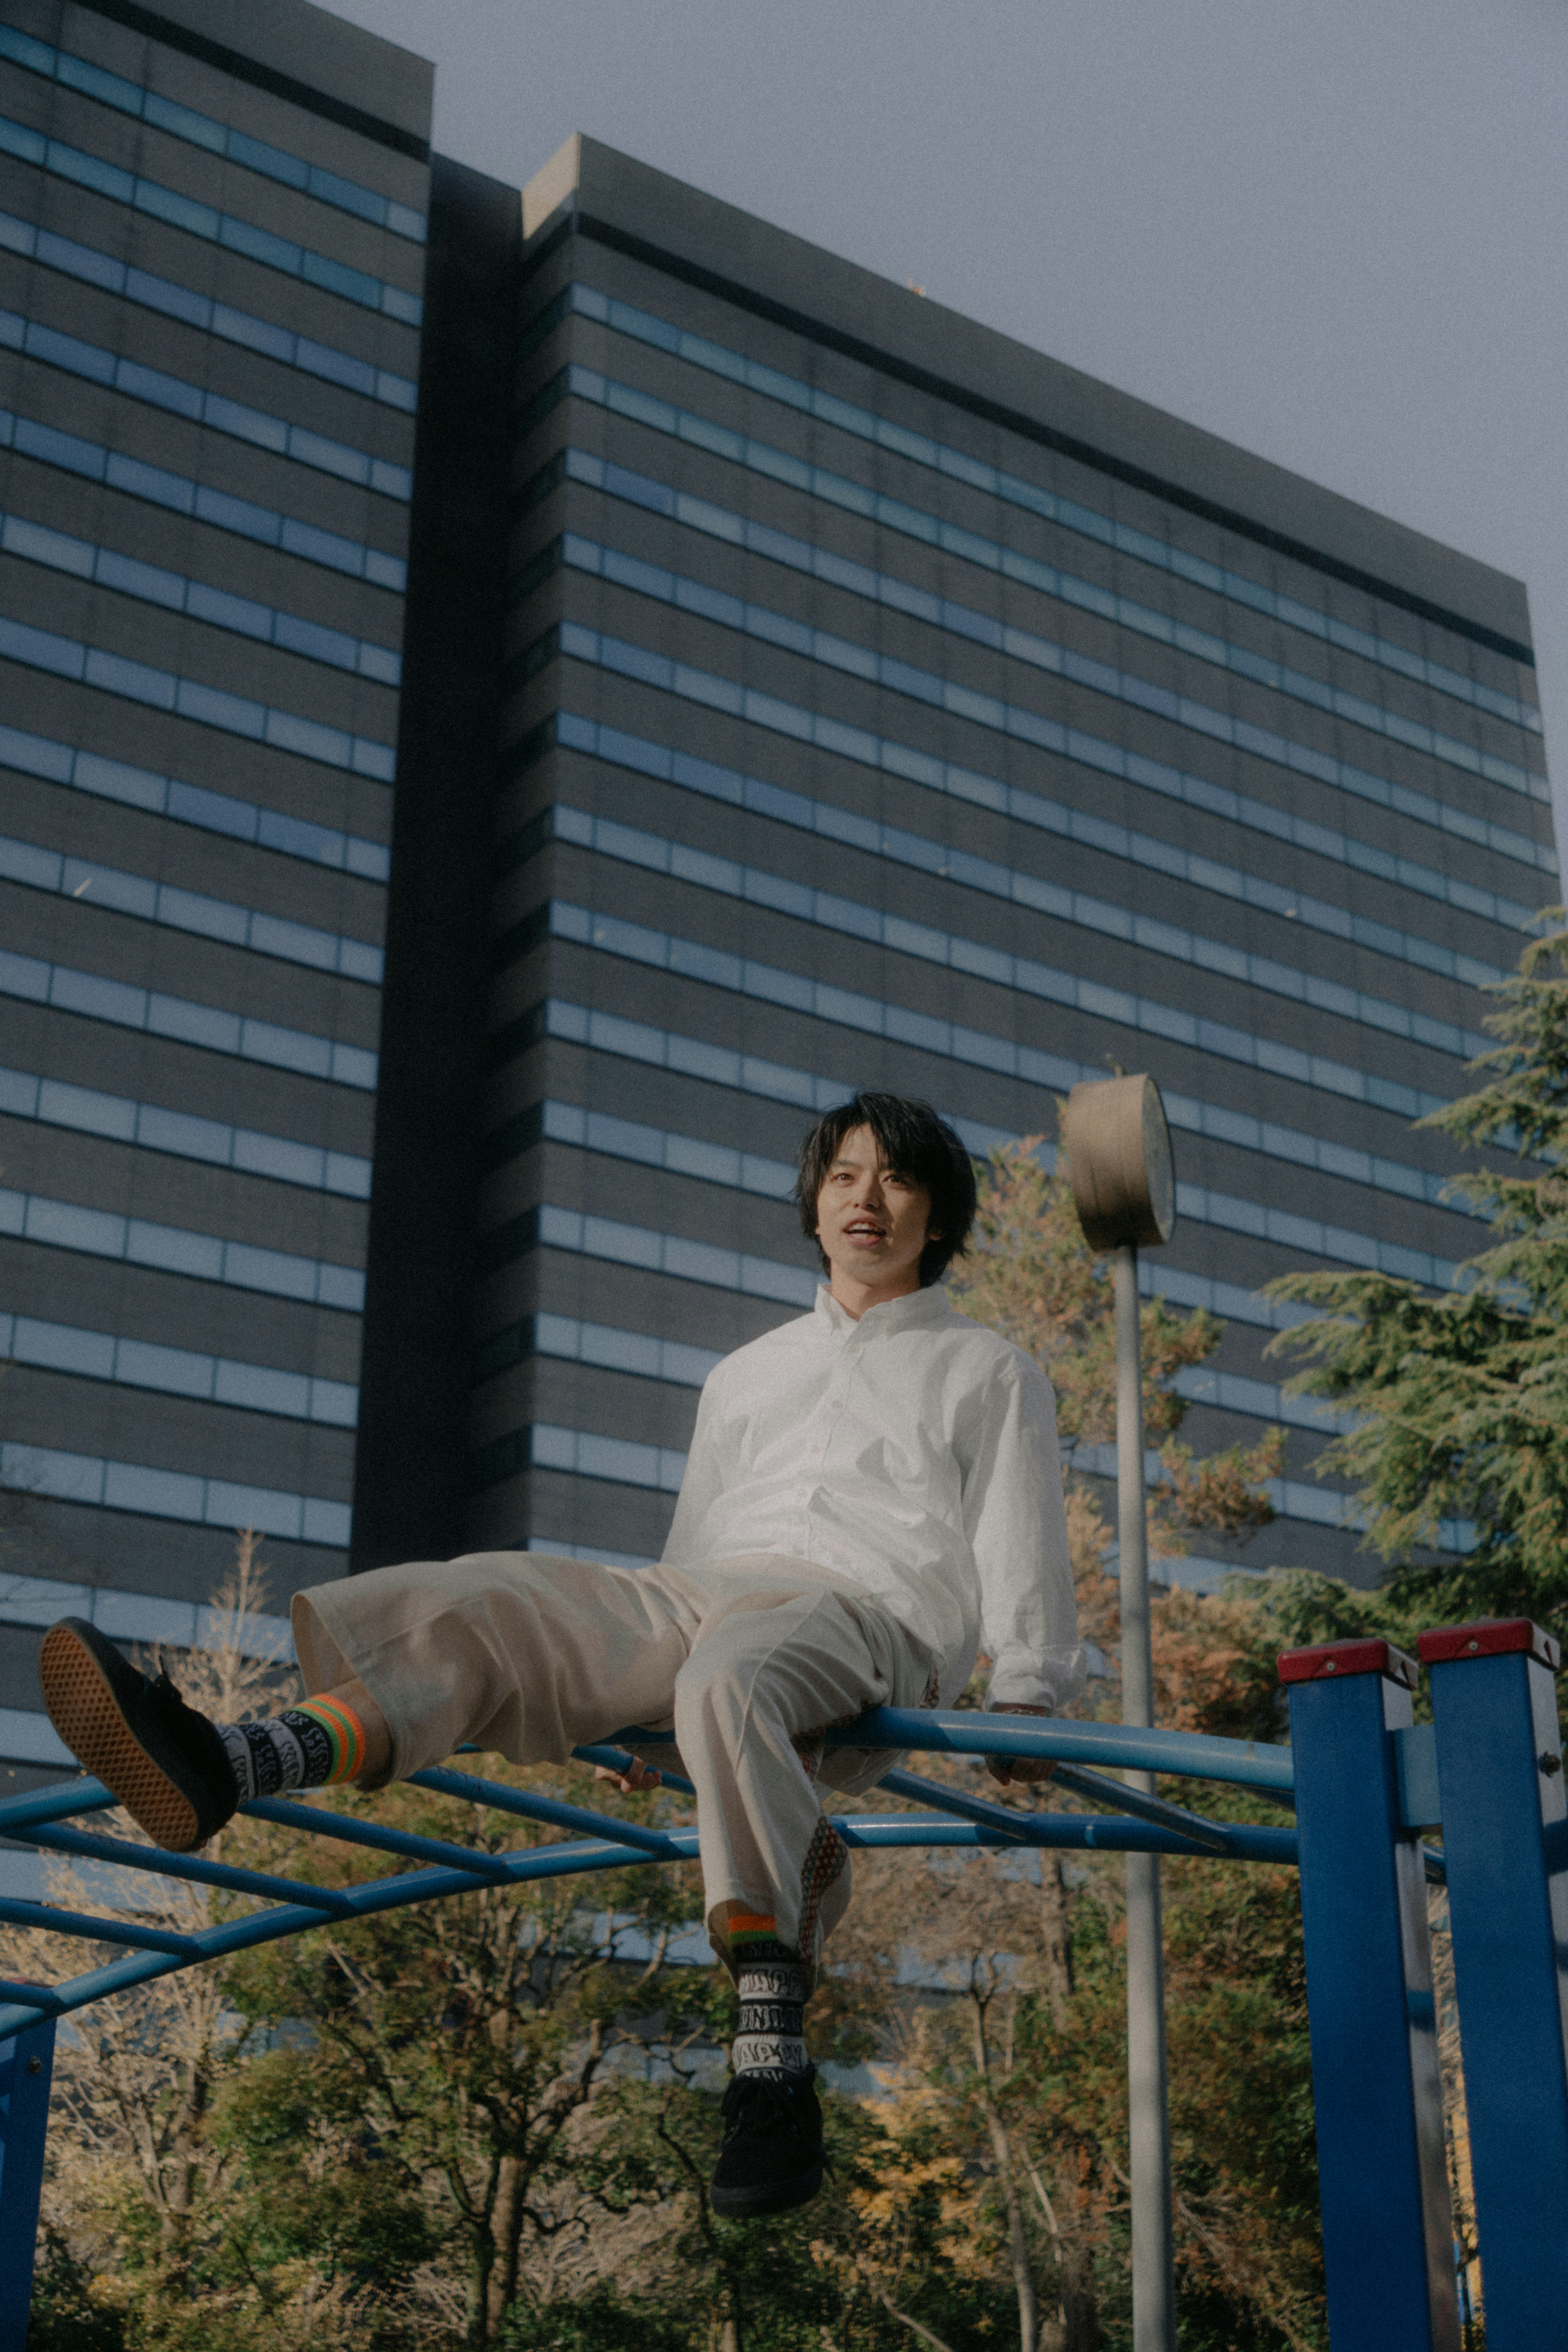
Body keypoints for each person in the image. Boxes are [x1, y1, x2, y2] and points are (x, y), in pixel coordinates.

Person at [39, 1092, 1082, 2219]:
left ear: (938, 1214)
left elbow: (1018, 1536)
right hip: (709, 1595)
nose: (864, 1199)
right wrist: (634, 1708)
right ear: (814, 1204)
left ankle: (772, 2059)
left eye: (894, 1179)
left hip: (872, 1611)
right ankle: (235, 1761)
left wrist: (1029, 1689)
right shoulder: (747, 1374)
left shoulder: (987, 1368)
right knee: (488, 1598)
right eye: (843, 1176)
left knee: (731, 1675)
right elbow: (692, 1546)